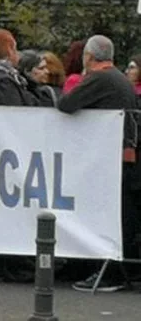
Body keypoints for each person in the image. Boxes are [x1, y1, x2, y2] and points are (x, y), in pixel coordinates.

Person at [58, 35, 141, 292]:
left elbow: (66, 104)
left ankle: (110, 272)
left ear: (89, 57)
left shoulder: (100, 77)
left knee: (111, 213)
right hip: (120, 155)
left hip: (108, 158)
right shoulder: (118, 78)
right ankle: (112, 269)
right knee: (121, 213)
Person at [0, 29, 39, 107]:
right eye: (15, 49)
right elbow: (15, 110)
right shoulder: (3, 81)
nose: (18, 54)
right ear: (9, 49)